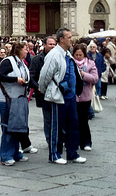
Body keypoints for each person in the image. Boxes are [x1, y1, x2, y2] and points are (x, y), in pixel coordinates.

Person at [38, 28, 86, 165]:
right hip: (58, 95)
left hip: (70, 96)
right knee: (57, 127)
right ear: (61, 39)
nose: (72, 39)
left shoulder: (67, 54)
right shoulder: (54, 55)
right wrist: (44, 89)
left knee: (73, 125)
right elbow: (44, 75)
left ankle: (72, 153)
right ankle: (55, 154)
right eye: (69, 37)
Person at [0, 42, 31, 166]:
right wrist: (16, 79)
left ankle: (16, 153)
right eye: (25, 49)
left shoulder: (22, 63)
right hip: (6, 99)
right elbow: (0, 76)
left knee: (16, 127)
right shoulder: (8, 61)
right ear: (18, 50)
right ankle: (6, 156)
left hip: (16, 99)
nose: (27, 52)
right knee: (8, 127)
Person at [28, 37, 56, 148]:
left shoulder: (60, 57)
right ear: (44, 45)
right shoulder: (37, 59)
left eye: (54, 44)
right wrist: (37, 87)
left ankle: (59, 137)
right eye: (50, 44)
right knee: (48, 118)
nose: (53, 46)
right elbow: (31, 76)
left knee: (60, 117)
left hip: (58, 92)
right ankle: (50, 140)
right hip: (44, 93)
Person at [73, 43, 98, 151]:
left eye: (80, 55)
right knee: (73, 120)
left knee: (83, 120)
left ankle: (86, 142)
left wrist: (84, 75)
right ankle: (73, 141)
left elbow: (95, 78)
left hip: (85, 96)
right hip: (73, 96)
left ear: (84, 55)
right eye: (76, 55)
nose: (78, 57)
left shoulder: (90, 63)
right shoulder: (70, 63)